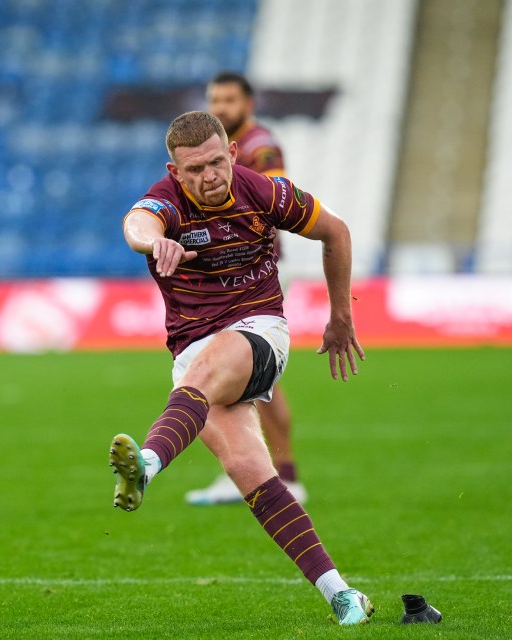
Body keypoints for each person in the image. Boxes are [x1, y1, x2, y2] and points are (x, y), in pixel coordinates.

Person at [108, 111, 372, 625]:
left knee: (204, 373)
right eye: (194, 170)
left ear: (231, 154)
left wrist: (341, 316)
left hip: (259, 333)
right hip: (192, 353)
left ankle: (148, 464)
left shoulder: (265, 193)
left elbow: (335, 232)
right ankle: (342, 595)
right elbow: (136, 223)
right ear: (175, 171)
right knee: (251, 475)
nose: (208, 177)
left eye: (215, 163)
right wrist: (151, 241)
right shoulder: (165, 201)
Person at [185, 71, 306, 506]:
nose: (219, 107)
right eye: (214, 98)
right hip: (234, 271)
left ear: (248, 105)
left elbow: (275, 197)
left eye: (229, 99)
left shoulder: (260, 147)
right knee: (251, 375)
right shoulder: (220, 151)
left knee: (239, 370)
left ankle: (272, 471)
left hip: (256, 269)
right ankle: (277, 472)